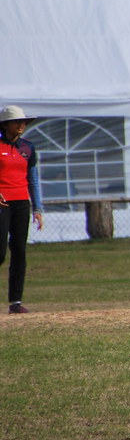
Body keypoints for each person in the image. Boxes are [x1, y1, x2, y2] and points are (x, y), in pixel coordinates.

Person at [0, 106, 44, 314]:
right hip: (2, 203)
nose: (21, 125)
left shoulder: (28, 148)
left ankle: (15, 301)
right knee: (0, 253)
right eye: (17, 122)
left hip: (21, 204)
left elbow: (32, 180)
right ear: (5, 124)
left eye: (24, 122)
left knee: (19, 252)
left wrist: (38, 208)